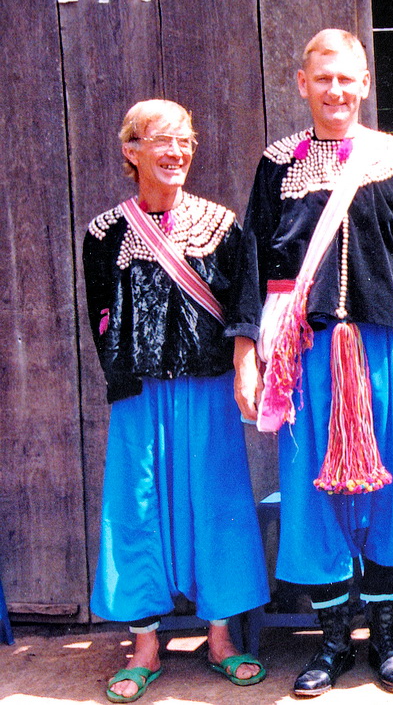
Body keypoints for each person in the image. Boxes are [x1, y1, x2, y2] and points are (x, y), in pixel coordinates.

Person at [227, 29, 393, 697]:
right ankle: (331, 643)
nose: (335, 90)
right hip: (307, 356)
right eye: (322, 78)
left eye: (347, 78)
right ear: (302, 83)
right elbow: (251, 260)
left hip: (384, 347)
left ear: (364, 83)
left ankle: (385, 639)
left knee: (384, 496)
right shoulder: (277, 163)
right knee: (313, 498)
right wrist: (246, 355)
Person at [83, 99, 269, 703]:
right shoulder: (105, 233)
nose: (177, 151)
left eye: (185, 139)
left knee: (216, 501)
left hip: (208, 387)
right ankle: (144, 645)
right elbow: (102, 318)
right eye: (161, 140)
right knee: (136, 507)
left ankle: (220, 638)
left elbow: (245, 309)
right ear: (130, 150)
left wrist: (243, 367)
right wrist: (122, 377)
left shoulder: (222, 225)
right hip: (140, 393)